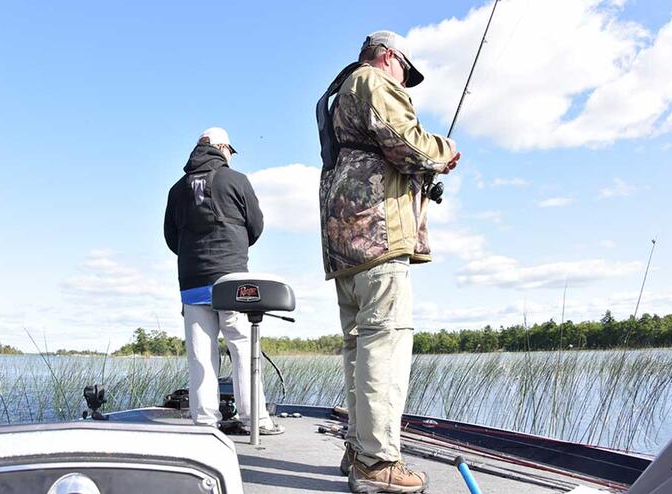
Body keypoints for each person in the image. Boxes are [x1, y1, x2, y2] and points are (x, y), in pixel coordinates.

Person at [317, 31, 461, 493]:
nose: (406, 82)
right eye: (405, 70)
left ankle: (359, 449)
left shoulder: (341, 95)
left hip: (346, 243)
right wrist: (444, 151)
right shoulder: (373, 80)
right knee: (386, 348)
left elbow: (382, 150)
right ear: (388, 56)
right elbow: (407, 141)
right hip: (378, 236)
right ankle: (378, 463)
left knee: (360, 349)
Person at [164, 127, 283, 435]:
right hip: (231, 279)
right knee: (243, 348)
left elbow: (170, 238)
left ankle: (204, 422)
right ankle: (254, 419)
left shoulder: (177, 190)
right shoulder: (236, 180)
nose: (230, 156)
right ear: (221, 147)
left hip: (191, 280)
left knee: (200, 354)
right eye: (230, 150)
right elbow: (256, 226)